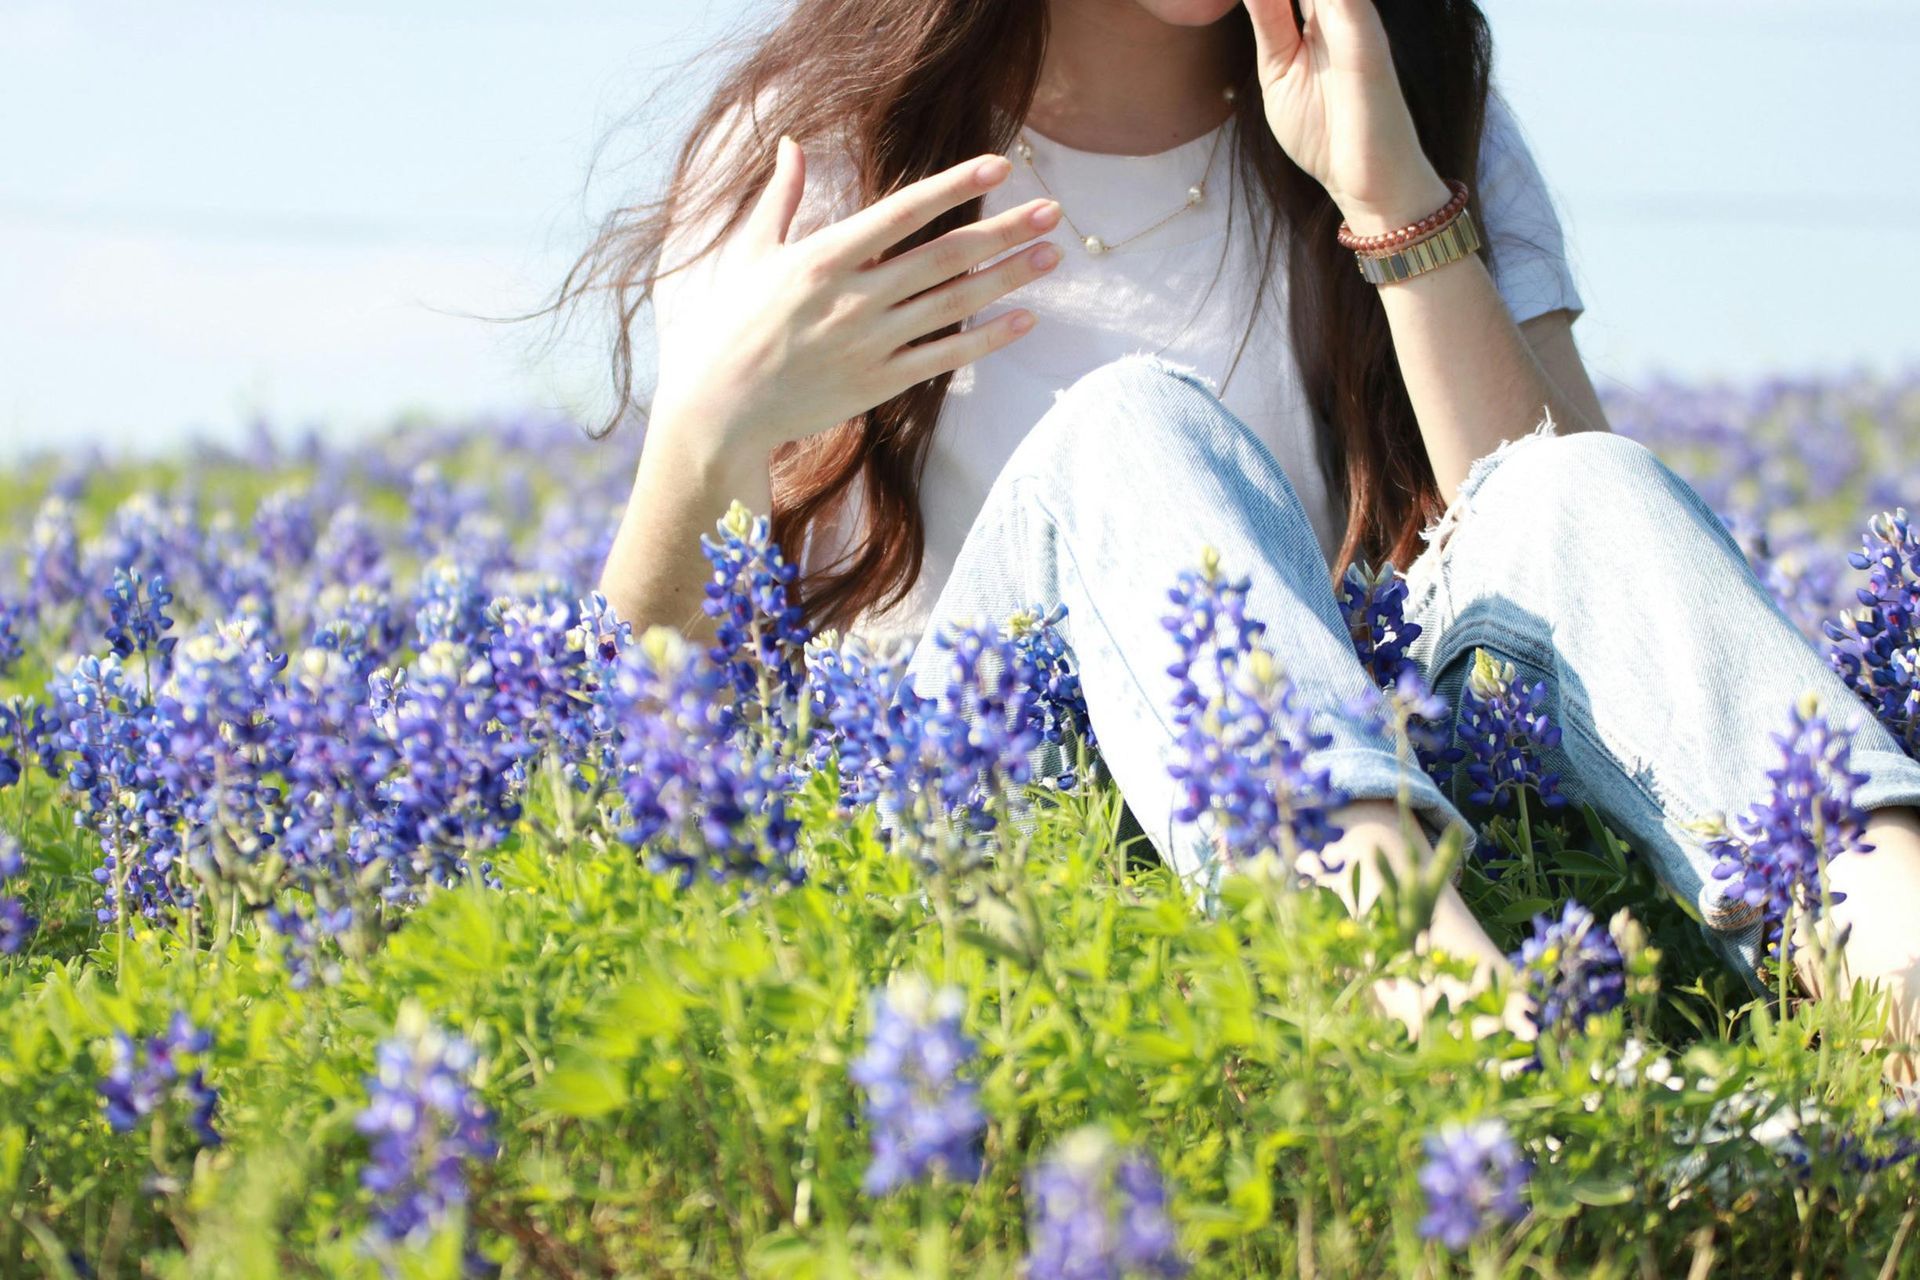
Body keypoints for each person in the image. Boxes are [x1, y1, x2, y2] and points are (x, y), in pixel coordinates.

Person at [568, 0, 1920, 1051]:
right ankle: (1454, 1044)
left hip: (1429, 808)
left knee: (1587, 481)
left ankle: (1893, 969)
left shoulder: (1415, 89)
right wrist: (708, 437)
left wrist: (1394, 199)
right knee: (1128, 431)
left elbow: (1559, 540)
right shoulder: (818, 140)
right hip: (983, 836)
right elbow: (658, 749)